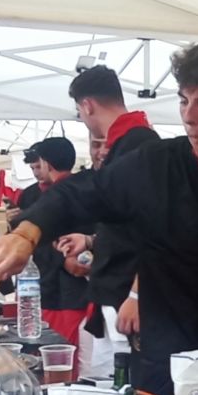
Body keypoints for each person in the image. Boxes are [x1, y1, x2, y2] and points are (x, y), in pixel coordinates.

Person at [0, 40, 198, 395]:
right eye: (183, 101)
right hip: (164, 358)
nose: (189, 116)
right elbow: (84, 192)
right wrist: (27, 233)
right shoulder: (156, 165)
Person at [52, 65, 160, 362]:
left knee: (129, 378)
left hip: (129, 298)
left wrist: (137, 295)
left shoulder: (138, 145)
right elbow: (127, 226)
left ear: (87, 105)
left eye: (79, 111)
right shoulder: (128, 143)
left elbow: (156, 230)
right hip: (115, 295)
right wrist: (89, 240)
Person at [11, 137, 95, 347]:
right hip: (44, 285)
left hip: (71, 290)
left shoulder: (77, 191)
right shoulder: (30, 195)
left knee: (64, 348)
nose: (35, 172)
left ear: (46, 163)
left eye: (37, 166)